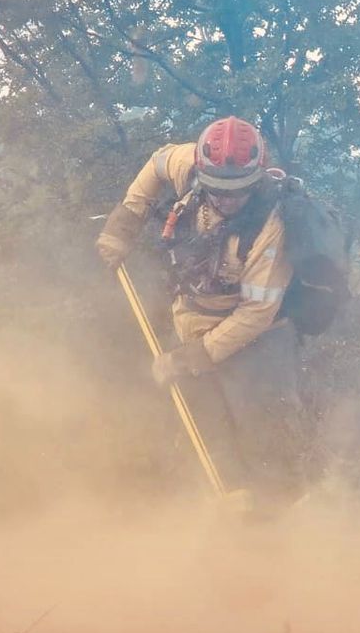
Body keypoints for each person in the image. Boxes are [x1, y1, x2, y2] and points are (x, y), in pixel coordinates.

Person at [95, 116, 305, 505]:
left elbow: (256, 314)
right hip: (194, 321)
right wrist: (124, 223)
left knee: (266, 438)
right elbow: (157, 163)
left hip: (260, 340)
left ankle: (277, 515)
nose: (225, 200)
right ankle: (214, 509)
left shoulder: (272, 226)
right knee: (203, 433)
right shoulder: (187, 164)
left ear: (255, 179)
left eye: (237, 192)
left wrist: (191, 358)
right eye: (217, 190)